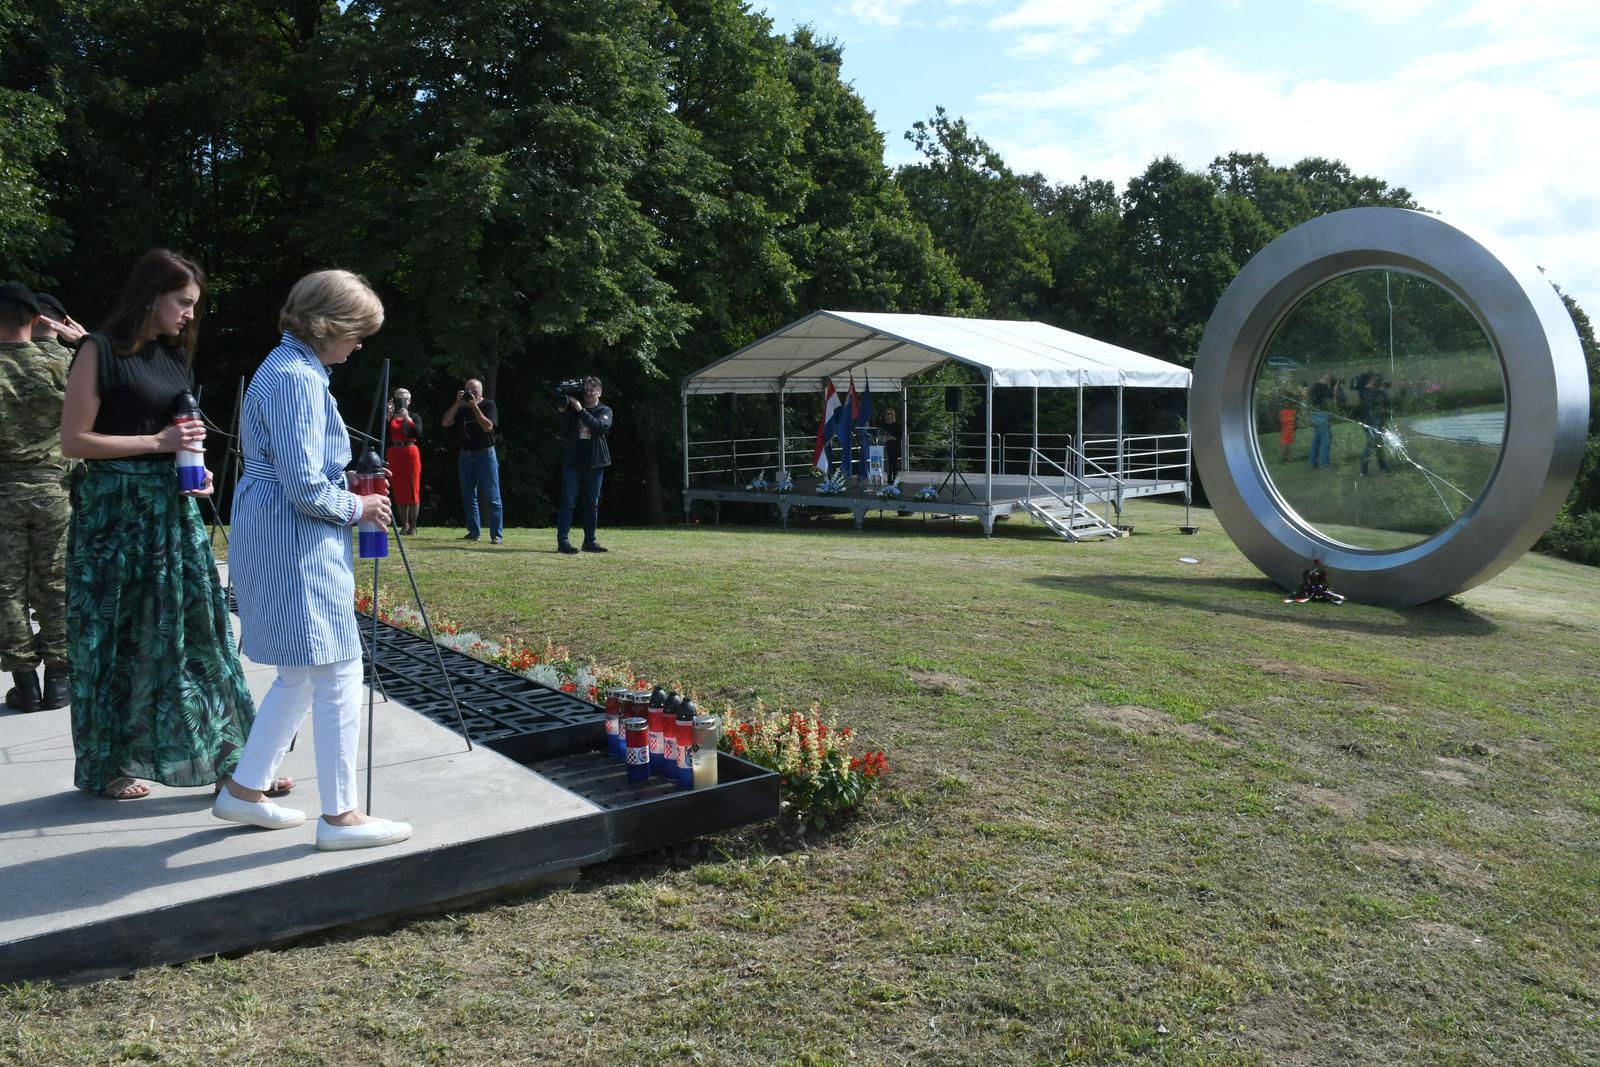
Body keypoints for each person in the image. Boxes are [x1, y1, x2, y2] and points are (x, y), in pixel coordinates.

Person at [217, 269, 411, 851]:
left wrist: (343, 483)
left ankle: (244, 791)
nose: (359, 346)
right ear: (333, 326)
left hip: (277, 531)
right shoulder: (299, 379)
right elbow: (304, 487)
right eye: (358, 334)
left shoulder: (285, 368)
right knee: (337, 670)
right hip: (293, 541)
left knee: (301, 671)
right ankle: (342, 818)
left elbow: (293, 469)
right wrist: (359, 503)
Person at [58, 250, 258, 801]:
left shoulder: (177, 359)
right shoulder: (98, 350)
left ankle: (235, 759)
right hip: (113, 515)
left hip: (171, 510)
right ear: (151, 295)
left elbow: (178, 435)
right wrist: (158, 444)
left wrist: (191, 471)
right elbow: (74, 441)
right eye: (183, 302)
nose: (190, 315)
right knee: (115, 638)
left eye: (194, 305)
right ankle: (107, 765)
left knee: (200, 628)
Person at [0, 282, 72, 713]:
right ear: (35, 319)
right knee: (56, 582)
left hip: (2, 492)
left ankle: (24, 684)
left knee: (6, 588)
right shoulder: (60, 364)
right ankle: (60, 679)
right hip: (53, 490)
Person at [555, 376, 612, 555]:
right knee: (568, 502)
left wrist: (581, 411)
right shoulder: (573, 410)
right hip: (573, 462)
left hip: (594, 464)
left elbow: (600, 427)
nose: (588, 393)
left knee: (591, 504)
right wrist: (563, 411)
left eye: (593, 389)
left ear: (600, 392)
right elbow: (562, 432)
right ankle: (563, 542)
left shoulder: (605, 410)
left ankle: (589, 542)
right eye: (586, 389)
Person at [442, 378, 502, 544]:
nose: (471, 394)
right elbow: (446, 422)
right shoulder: (461, 408)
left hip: (485, 455)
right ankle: (474, 532)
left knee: (493, 497)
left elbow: (488, 427)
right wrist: (457, 403)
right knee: (468, 496)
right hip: (466, 456)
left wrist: (474, 406)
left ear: (481, 392)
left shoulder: (489, 405)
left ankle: (496, 535)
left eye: (474, 391)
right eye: (468, 391)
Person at [385, 387, 422, 536]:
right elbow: (383, 435)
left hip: (410, 452)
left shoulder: (414, 415)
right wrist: (388, 417)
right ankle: (404, 525)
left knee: (413, 489)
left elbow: (418, 433)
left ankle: (413, 526)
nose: (402, 401)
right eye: (399, 398)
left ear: (410, 400)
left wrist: (407, 418)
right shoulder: (390, 417)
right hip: (394, 453)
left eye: (405, 398)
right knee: (398, 489)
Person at [1356, 372, 1392, 476]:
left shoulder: (1377, 391)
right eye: (1375, 380)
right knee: (1371, 444)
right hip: (1369, 423)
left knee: (1378, 444)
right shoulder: (1364, 392)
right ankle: (1364, 467)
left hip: (1378, 421)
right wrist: (1380, 391)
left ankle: (1382, 465)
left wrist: (1382, 390)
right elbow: (1370, 403)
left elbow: (1385, 402)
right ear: (1371, 381)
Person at [1307, 375, 1333, 470]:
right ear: (1326, 380)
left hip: (1313, 415)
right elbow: (1330, 399)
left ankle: (1312, 462)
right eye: (1329, 381)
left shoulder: (1313, 387)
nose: (1329, 382)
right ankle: (1324, 464)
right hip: (1322, 415)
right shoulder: (1324, 387)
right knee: (1326, 441)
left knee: (1316, 440)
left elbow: (1308, 401)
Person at [880, 405, 902, 483]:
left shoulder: (896, 425)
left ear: (893, 415)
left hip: (894, 446)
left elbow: (899, 436)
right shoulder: (883, 425)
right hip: (886, 446)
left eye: (889, 414)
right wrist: (882, 438)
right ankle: (889, 478)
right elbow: (880, 433)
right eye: (886, 414)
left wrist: (891, 438)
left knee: (893, 463)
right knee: (887, 463)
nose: (887, 416)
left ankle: (894, 478)